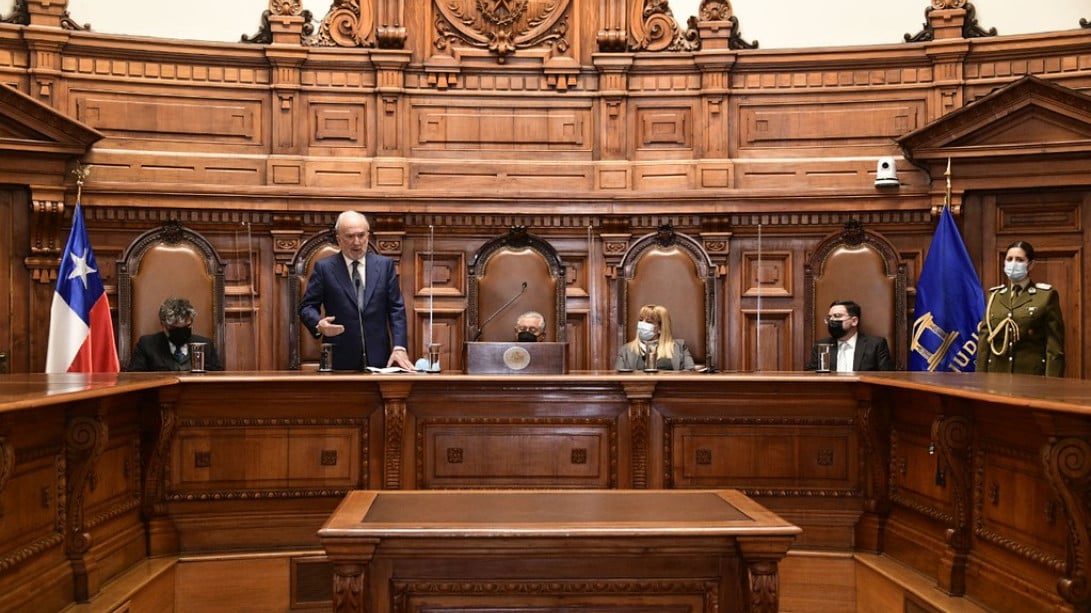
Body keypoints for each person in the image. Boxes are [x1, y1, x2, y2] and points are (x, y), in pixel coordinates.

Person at [299, 211, 416, 371]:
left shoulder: (385, 266)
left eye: (361, 235)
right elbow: (307, 307)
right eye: (350, 236)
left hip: (380, 360)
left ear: (368, 235)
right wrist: (319, 324)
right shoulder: (324, 268)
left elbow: (396, 310)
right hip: (339, 360)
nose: (357, 242)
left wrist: (399, 347)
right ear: (339, 239)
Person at [977, 240, 1065, 376]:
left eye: (1019, 260)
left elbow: (1054, 348)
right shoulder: (994, 296)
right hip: (996, 376)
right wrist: (980, 379)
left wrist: (1052, 383)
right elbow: (984, 343)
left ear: (1030, 265)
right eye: (1009, 259)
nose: (1013, 264)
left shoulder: (1045, 297)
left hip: (1031, 376)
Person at [128, 296, 223, 371]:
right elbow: (135, 379)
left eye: (186, 327)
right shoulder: (146, 345)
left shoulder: (206, 345)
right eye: (174, 328)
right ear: (163, 324)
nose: (180, 332)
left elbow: (218, 379)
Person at [806, 300, 894, 372]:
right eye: (829, 317)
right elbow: (811, 375)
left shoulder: (875, 345)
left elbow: (886, 377)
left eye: (837, 316)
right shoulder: (821, 346)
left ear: (854, 321)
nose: (832, 320)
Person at [615, 304, 695, 371]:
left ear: (661, 328)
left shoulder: (680, 347)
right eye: (640, 320)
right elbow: (618, 380)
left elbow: (690, 374)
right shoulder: (625, 351)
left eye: (649, 322)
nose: (642, 324)